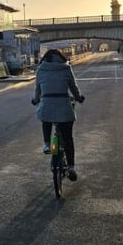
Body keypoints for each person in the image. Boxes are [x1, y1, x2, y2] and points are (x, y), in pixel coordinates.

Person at [31, 49, 85, 181]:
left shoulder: (41, 69)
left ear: (45, 58)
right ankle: (71, 167)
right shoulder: (65, 68)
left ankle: (47, 143)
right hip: (63, 105)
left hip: (47, 104)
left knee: (46, 118)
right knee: (67, 137)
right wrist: (78, 97)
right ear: (61, 58)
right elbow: (73, 87)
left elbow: (38, 89)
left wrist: (36, 99)